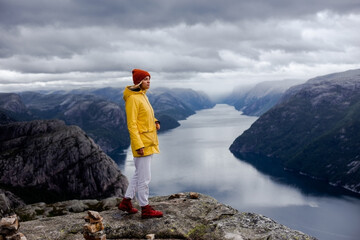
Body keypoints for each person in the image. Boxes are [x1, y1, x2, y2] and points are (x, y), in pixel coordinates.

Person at [118, 68, 163, 219]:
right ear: (138, 82)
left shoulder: (142, 96)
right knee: (145, 178)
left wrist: (155, 121)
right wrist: (138, 145)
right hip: (142, 144)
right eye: (145, 79)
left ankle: (126, 202)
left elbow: (146, 116)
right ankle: (145, 208)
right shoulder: (132, 99)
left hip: (148, 141)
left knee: (138, 175)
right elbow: (132, 124)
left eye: (149, 79)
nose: (149, 82)